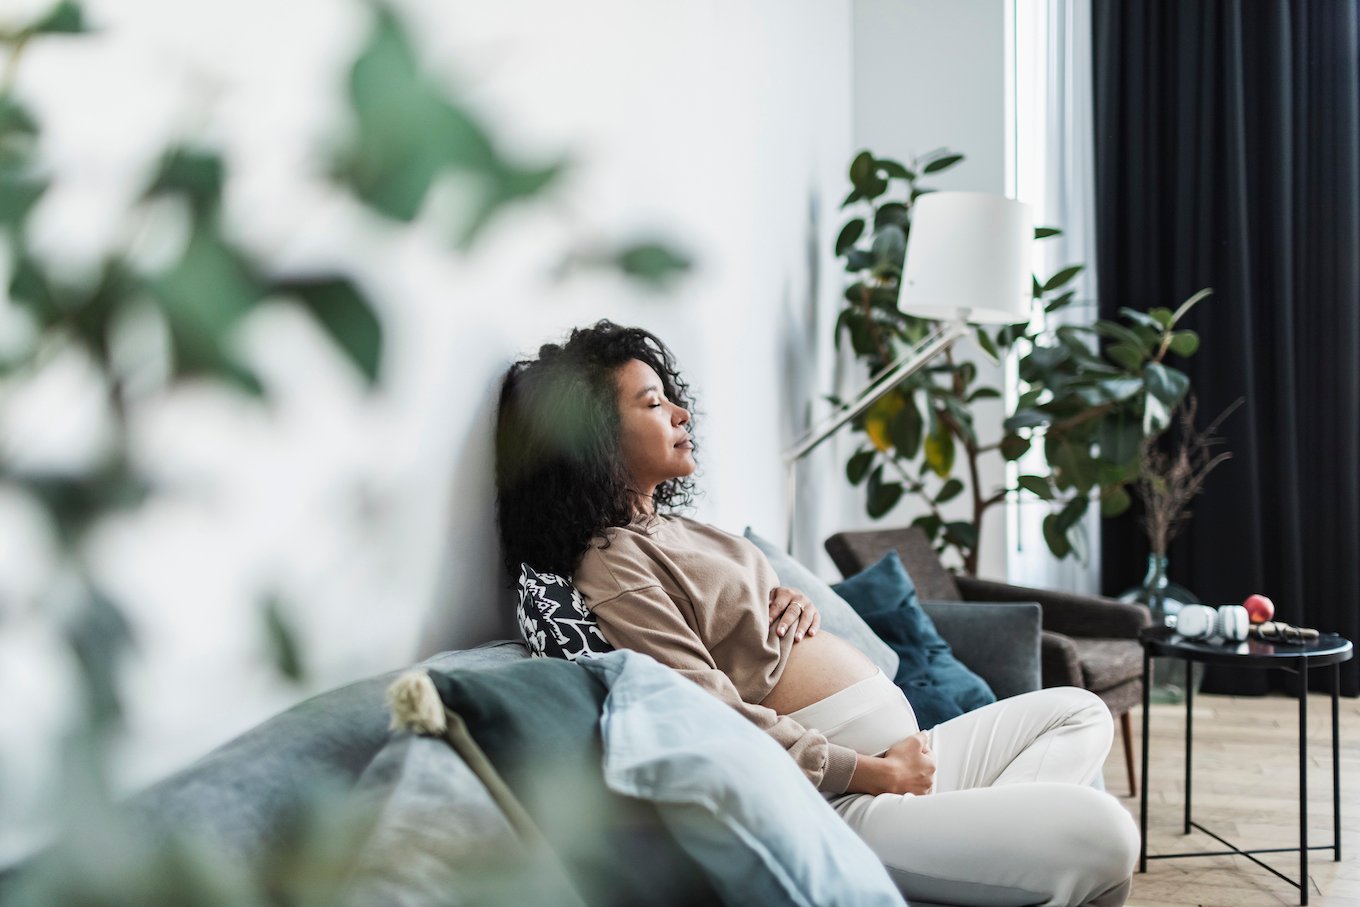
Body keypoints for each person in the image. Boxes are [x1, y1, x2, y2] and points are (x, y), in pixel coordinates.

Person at [495, 321, 1139, 906]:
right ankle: (990, 854)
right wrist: (873, 773)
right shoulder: (612, 563)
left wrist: (788, 598)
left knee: (1076, 710)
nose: (682, 412)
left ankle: (986, 850)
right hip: (837, 799)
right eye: (653, 403)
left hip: (898, 769)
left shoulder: (678, 527)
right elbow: (705, 713)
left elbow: (743, 623)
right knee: (1105, 832)